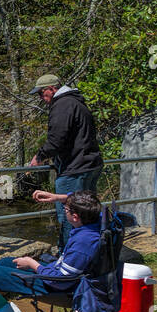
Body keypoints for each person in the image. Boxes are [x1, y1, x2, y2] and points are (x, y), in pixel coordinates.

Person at [27, 74, 103, 244]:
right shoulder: (76, 102)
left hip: (75, 169)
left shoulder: (62, 105)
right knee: (88, 213)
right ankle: (91, 251)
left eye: (41, 93)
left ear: (52, 89)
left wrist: (39, 157)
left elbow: (57, 139)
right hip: (90, 165)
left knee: (71, 215)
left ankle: (68, 256)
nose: (41, 98)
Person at [0, 190, 103, 298]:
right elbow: (88, 201)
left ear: (75, 217)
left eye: (66, 209)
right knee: (5, 262)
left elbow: (60, 280)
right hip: (58, 273)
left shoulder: (82, 243)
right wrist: (58, 198)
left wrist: (32, 264)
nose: (64, 210)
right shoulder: (96, 220)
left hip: (58, 286)